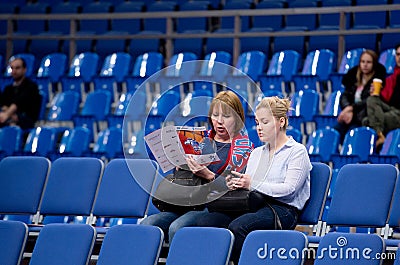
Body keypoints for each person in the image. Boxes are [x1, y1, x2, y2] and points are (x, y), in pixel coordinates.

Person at [196, 96, 312, 263]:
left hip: (283, 209)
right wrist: (236, 183)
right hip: (253, 204)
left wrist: (251, 183)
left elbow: (289, 190)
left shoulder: (296, 151)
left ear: (281, 121)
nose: (259, 128)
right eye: (257, 123)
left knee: (239, 226)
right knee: (207, 222)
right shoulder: (257, 153)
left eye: (264, 122)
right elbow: (248, 187)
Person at [141, 90, 254, 243]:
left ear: (238, 118)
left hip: (215, 206)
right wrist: (181, 165)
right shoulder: (200, 139)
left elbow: (236, 188)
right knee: (147, 224)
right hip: (186, 202)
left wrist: (208, 175)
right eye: (215, 115)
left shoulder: (244, 148)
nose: (219, 121)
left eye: (226, 116)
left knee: (177, 228)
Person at [334, 50, 387, 142]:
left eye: (368, 62)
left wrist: (351, 109)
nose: (365, 65)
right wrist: (347, 108)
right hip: (349, 115)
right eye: (363, 62)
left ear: (374, 64)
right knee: (334, 133)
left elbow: (369, 101)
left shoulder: (377, 82)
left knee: (353, 134)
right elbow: (344, 96)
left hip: (363, 118)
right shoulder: (353, 79)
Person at [363, 44, 400, 147]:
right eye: (397, 54)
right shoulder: (392, 77)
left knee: (367, 121)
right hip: (391, 109)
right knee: (371, 99)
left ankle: (378, 137)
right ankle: (379, 134)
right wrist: (376, 92)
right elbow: (386, 100)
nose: (399, 57)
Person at [0, 57, 41, 130]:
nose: (14, 71)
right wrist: (9, 114)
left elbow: (20, 102)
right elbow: (3, 104)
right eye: (12, 68)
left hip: (26, 119)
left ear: (24, 70)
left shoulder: (31, 86)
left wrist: (7, 114)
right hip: (8, 117)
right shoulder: (8, 88)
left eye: (17, 68)